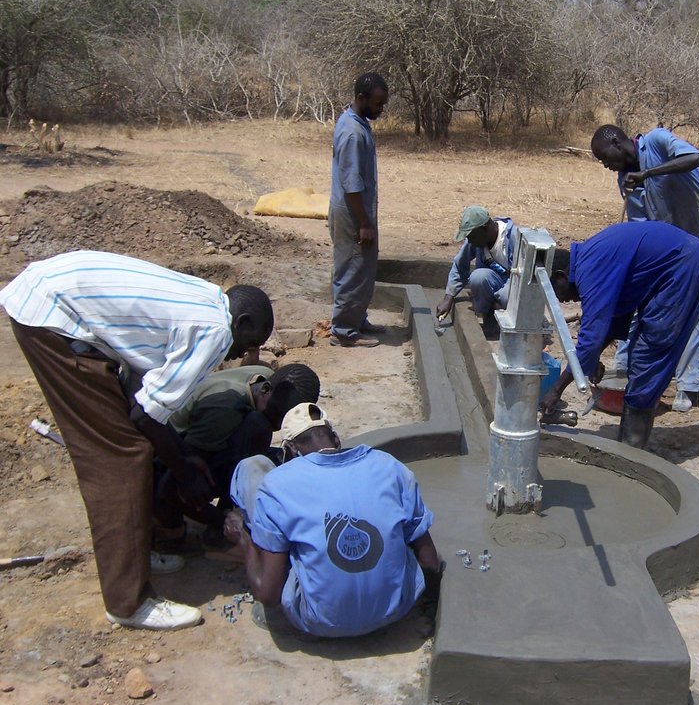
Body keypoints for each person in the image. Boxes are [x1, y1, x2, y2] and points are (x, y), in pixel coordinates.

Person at [0, 250, 274, 630]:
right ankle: (128, 602)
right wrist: (183, 472)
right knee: (119, 458)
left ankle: (135, 553)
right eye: (248, 342)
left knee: (133, 443)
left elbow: (140, 393)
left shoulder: (208, 299)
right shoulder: (216, 331)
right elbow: (143, 414)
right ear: (240, 322)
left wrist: (179, 455)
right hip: (53, 318)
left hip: (52, 296)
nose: (242, 353)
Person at [223, 403, 442, 638]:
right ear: (336, 439)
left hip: (319, 621)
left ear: (290, 449)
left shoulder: (277, 485)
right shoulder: (389, 466)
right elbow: (429, 560)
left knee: (250, 470)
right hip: (395, 611)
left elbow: (267, 596)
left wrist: (244, 541)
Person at [539, 222, 699, 449]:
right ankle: (631, 442)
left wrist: (555, 390)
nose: (561, 300)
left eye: (555, 291)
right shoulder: (590, 260)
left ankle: (632, 450)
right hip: (678, 260)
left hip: (683, 266)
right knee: (641, 354)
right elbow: (611, 321)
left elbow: (590, 338)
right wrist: (590, 360)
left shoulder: (591, 272)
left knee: (648, 353)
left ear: (561, 276)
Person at [591, 124, 699, 413]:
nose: (607, 166)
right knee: (641, 292)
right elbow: (640, 225)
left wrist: (648, 174)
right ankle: (626, 366)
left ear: (617, 142)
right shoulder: (626, 179)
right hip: (668, 241)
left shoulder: (658, 142)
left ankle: (690, 385)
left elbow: (695, 158)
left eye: (606, 158)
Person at [155, 364, 321, 543]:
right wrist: (222, 521)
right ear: (266, 390)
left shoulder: (263, 377)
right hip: (157, 469)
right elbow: (171, 485)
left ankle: (227, 510)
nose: (280, 426)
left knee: (265, 448)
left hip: (188, 445)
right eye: (279, 416)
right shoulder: (225, 409)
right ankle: (174, 525)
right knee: (258, 428)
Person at [330, 71, 390, 348]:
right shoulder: (353, 133)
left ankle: (357, 319)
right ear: (360, 98)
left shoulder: (357, 123)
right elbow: (351, 183)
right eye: (377, 103)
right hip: (354, 214)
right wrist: (364, 222)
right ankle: (344, 331)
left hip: (358, 211)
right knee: (353, 269)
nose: (380, 109)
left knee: (363, 268)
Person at [434, 205, 518, 338]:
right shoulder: (476, 239)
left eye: (471, 236)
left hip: (517, 285)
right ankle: (489, 316)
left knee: (505, 296)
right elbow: (460, 264)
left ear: (485, 228)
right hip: (496, 281)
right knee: (478, 277)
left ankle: (516, 329)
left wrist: (500, 298)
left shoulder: (514, 238)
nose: (470, 241)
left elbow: (527, 278)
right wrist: (448, 297)